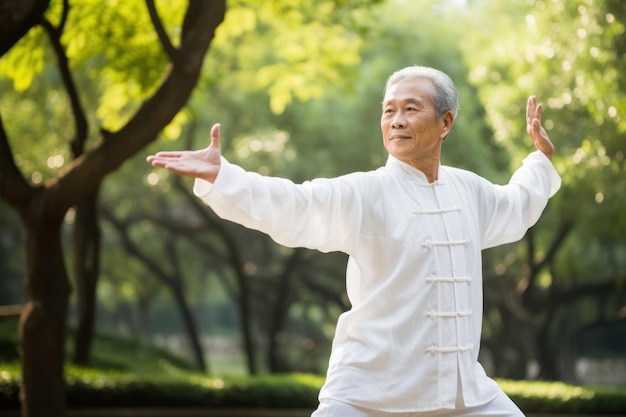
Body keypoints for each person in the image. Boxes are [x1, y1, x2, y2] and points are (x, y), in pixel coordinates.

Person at [147, 65, 561, 417]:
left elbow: (516, 204)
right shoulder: (366, 192)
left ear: (446, 122)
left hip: (462, 395)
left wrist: (540, 161)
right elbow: (296, 205)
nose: (396, 120)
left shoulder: (469, 191)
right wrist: (224, 177)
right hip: (370, 392)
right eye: (389, 111)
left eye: (410, 109)